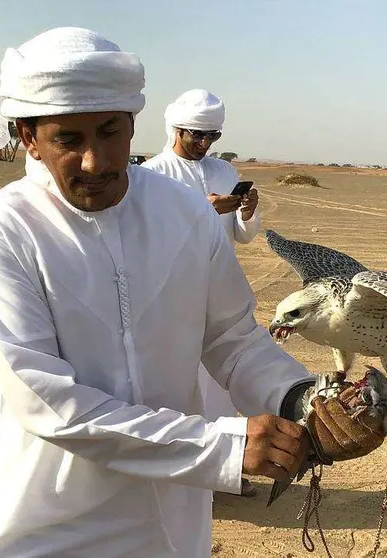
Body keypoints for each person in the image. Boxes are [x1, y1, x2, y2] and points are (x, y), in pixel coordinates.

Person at [0, 27, 318, 558]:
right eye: (68, 140)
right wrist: (225, 447)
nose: (95, 161)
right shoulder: (5, 229)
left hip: (170, 525)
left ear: (132, 125)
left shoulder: (185, 213)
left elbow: (233, 338)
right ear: (28, 137)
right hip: (47, 521)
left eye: (109, 133)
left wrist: (302, 397)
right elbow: (50, 404)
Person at [142, 89, 261, 497]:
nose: (205, 144)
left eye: (213, 136)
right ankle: (181, 479)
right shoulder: (151, 175)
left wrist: (246, 214)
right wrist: (201, 211)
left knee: (222, 387)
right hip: (171, 296)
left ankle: (225, 475)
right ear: (175, 128)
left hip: (219, 289)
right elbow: (147, 241)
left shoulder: (225, 173)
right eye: (197, 134)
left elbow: (243, 238)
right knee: (178, 384)